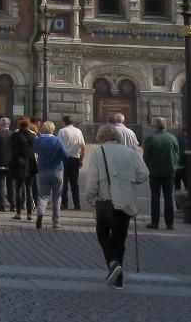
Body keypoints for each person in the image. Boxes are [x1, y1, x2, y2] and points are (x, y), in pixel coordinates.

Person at [82, 124, 149, 287]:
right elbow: (144, 174)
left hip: (106, 201)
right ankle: (117, 279)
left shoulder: (99, 152)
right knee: (120, 239)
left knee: (102, 234)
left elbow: (92, 179)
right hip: (126, 202)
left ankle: (113, 264)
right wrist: (129, 181)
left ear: (101, 137)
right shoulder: (130, 152)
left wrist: (90, 197)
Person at [142, 118, 181, 230]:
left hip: (154, 171)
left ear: (155, 126)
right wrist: (173, 166)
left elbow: (146, 156)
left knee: (155, 196)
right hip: (169, 172)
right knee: (169, 197)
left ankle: (155, 222)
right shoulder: (172, 138)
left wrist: (149, 166)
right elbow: (177, 154)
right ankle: (170, 223)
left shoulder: (151, 138)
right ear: (166, 126)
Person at [33, 121, 66, 229]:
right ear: (53, 129)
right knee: (57, 197)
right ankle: (56, 221)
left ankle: (40, 213)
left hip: (43, 170)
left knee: (43, 195)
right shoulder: (57, 140)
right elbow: (65, 154)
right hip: (57, 170)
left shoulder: (38, 140)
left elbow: (35, 150)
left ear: (42, 129)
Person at [7, 116, 36, 222]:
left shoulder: (15, 135)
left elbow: (11, 148)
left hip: (18, 164)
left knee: (19, 188)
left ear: (20, 125)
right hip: (30, 164)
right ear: (28, 125)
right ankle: (29, 215)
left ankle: (18, 213)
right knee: (29, 189)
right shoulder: (33, 135)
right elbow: (35, 148)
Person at [58, 115, 86, 211]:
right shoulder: (78, 131)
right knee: (74, 183)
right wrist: (81, 159)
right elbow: (83, 146)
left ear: (64, 122)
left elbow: (58, 146)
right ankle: (77, 204)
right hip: (75, 159)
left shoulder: (62, 131)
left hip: (64, 159)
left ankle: (64, 204)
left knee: (64, 182)